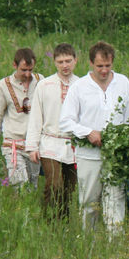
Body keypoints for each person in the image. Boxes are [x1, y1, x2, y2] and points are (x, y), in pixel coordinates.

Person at [59, 41, 129, 232]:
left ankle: (115, 244)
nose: (104, 70)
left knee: (116, 200)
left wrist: (124, 141)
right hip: (89, 154)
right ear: (91, 63)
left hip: (115, 155)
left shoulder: (123, 82)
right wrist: (88, 132)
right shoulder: (79, 87)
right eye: (100, 66)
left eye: (108, 66)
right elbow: (66, 121)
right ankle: (89, 243)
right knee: (89, 202)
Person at [27, 43, 80, 217]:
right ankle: (46, 217)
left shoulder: (82, 85)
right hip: (50, 141)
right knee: (54, 183)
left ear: (75, 61)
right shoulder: (45, 85)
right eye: (60, 62)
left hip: (73, 144)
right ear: (55, 63)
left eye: (68, 61)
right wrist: (32, 146)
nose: (65, 65)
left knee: (69, 188)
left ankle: (61, 223)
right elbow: (36, 116)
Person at [0, 48, 41, 187]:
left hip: (34, 145)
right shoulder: (4, 85)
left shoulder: (41, 81)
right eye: (23, 70)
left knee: (33, 185)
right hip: (13, 145)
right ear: (14, 65)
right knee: (20, 185)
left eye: (30, 70)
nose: (27, 74)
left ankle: (29, 208)